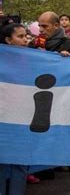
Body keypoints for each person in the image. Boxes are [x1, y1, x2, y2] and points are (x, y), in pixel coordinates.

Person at [0, 23, 30, 195]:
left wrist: (62, 58)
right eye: (20, 36)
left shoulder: (35, 59)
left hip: (22, 119)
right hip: (3, 120)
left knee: (20, 165)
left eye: (26, 35)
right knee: (2, 165)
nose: (25, 40)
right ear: (8, 40)